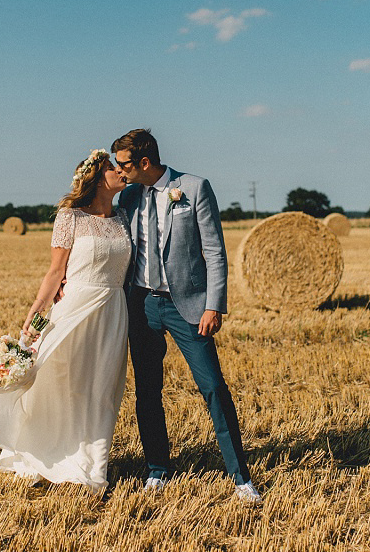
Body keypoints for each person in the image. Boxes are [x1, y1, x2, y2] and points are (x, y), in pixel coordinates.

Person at [0, 150, 131, 493]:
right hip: (74, 307)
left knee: (103, 389)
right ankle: (44, 455)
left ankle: (92, 465)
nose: (122, 172)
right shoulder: (70, 218)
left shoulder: (124, 216)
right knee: (56, 382)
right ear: (97, 177)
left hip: (113, 310)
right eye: (114, 167)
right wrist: (35, 315)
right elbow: (55, 272)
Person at [112, 129, 261, 503]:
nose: (119, 170)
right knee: (148, 390)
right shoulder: (128, 196)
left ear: (145, 162)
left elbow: (215, 251)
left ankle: (240, 477)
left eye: (124, 163)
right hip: (141, 305)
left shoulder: (193, 187)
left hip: (188, 306)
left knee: (212, 387)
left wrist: (214, 305)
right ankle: (157, 470)